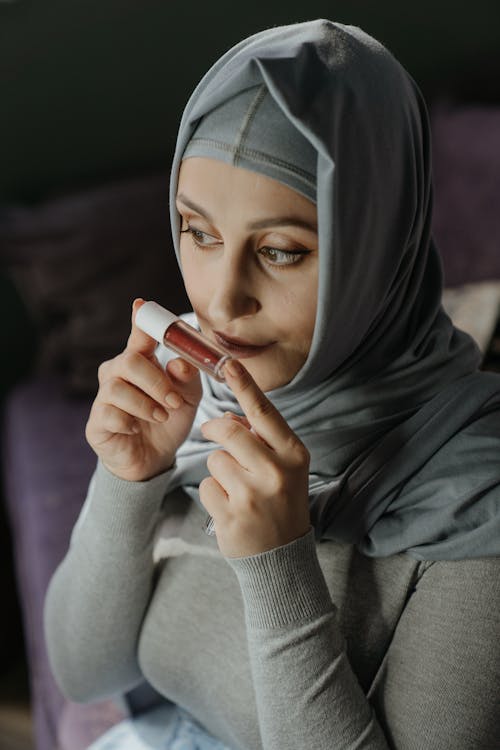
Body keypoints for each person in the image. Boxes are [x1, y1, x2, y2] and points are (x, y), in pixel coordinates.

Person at [44, 19, 500, 750]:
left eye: (281, 251)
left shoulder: (477, 506)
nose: (221, 302)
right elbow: (85, 675)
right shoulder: (191, 390)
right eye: (197, 232)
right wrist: (126, 482)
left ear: (378, 250)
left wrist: (277, 564)